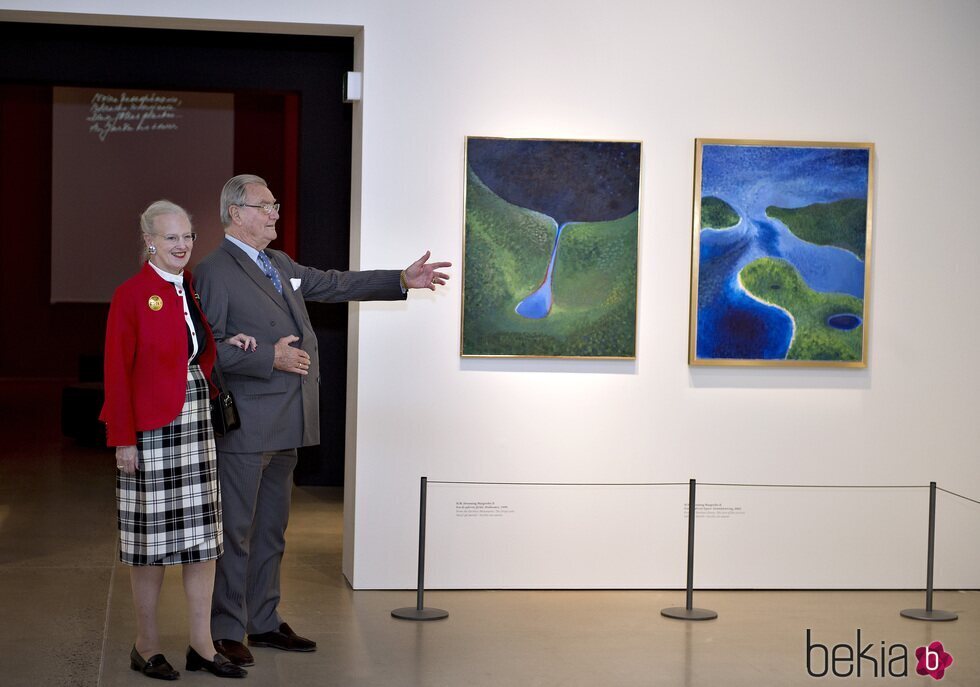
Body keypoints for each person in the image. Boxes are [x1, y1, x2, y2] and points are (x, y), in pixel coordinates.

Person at [194, 174, 450, 667]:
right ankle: (226, 628)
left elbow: (333, 283)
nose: (275, 213)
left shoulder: (279, 263)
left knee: (271, 531)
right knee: (236, 532)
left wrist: (400, 279)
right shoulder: (214, 270)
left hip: (287, 420)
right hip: (246, 424)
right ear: (235, 213)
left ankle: (263, 620)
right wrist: (269, 356)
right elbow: (210, 350)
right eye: (265, 206)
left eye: (275, 204)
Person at [101, 200, 257, 680]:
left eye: (188, 236)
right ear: (149, 241)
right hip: (150, 431)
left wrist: (224, 344)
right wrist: (123, 440)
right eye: (171, 238)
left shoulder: (186, 287)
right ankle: (145, 645)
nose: (182, 245)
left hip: (194, 423)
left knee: (202, 542)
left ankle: (202, 646)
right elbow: (117, 373)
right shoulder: (131, 294)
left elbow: (187, 350)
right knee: (150, 545)